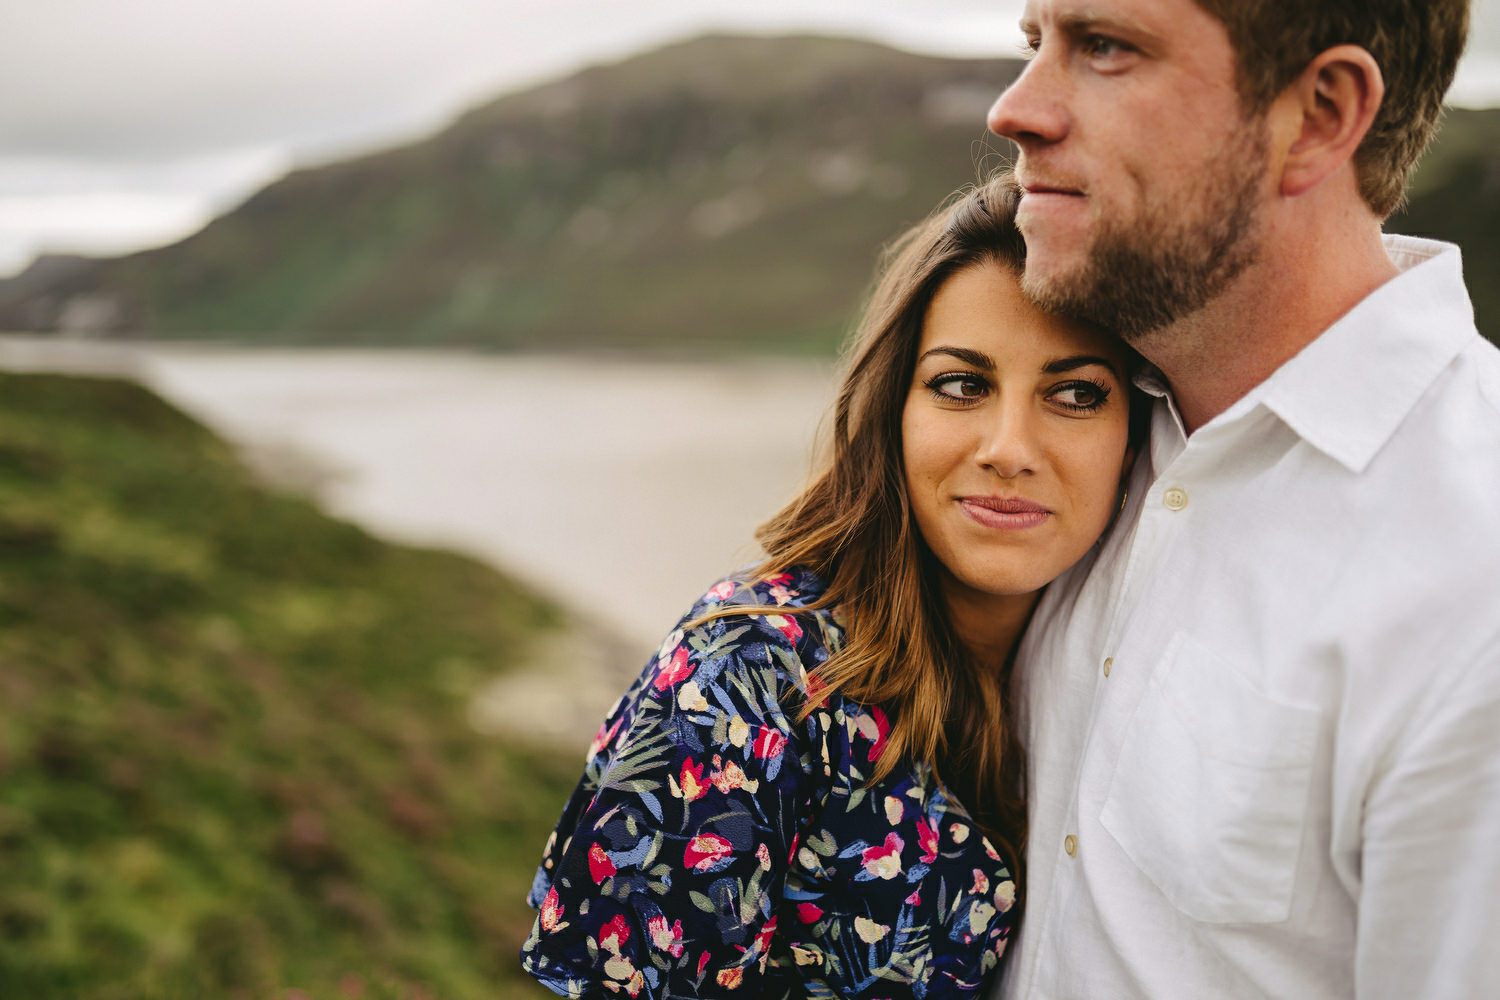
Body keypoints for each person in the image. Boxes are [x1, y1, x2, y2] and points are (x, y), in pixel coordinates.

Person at [520, 173, 1144, 999]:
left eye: (1075, 394)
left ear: (1138, 432)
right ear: (893, 408)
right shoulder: (747, 677)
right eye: (962, 384)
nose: (1008, 447)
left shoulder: (1106, 662)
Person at [985, 1, 1500, 998]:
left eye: (1104, 48)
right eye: (1032, 43)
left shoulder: (1477, 572)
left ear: (1317, 115)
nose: (1017, 109)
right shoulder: (1072, 441)